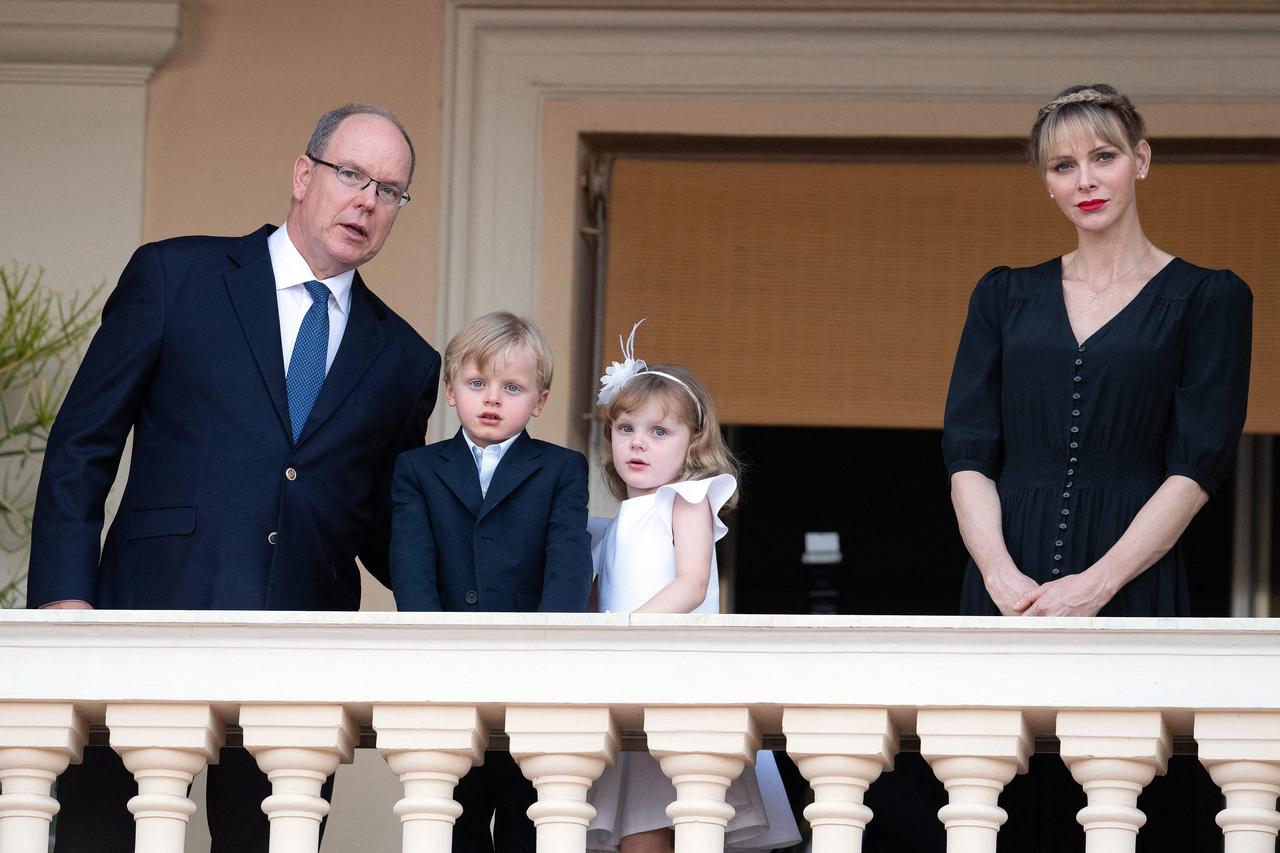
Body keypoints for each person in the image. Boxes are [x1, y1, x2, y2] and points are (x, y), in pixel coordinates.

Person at [28, 103, 441, 852]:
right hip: (145, 623)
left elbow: (385, 526)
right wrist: (64, 598)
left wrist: (489, 552)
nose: (367, 201)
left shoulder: (407, 360)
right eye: (352, 175)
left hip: (300, 653)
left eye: (390, 190)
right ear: (303, 174)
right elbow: (83, 443)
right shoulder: (176, 274)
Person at [940, 83, 1252, 850]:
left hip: (1134, 577)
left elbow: (1196, 465)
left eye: (1103, 157)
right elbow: (969, 452)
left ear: (1141, 160)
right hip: (1006, 584)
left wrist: (1097, 584)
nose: (1084, 180)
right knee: (994, 809)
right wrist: (999, 576)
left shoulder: (1209, 298)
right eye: (1061, 165)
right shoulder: (1004, 295)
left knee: (1119, 811)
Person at [585, 322, 801, 853]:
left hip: (670, 678)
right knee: (638, 834)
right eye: (625, 428)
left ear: (693, 442)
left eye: (660, 432)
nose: (638, 443)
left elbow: (691, 581)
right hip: (627, 684)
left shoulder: (687, 501)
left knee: (666, 824)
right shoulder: (610, 525)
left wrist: (625, 635)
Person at [389, 310, 593, 851]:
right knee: (456, 820)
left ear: (540, 400)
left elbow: (568, 565)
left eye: (513, 387)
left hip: (533, 676)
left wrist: (547, 648)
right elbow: (412, 568)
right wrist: (433, 648)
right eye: (477, 383)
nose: (493, 398)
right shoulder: (417, 468)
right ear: (451, 390)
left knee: (530, 819)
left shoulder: (561, 468)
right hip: (446, 673)